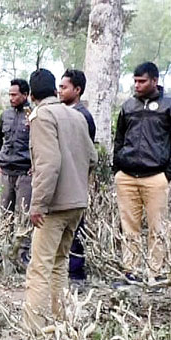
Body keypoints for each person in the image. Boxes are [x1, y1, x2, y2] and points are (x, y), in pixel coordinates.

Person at [23, 69, 97, 332]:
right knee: (59, 263)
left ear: (31, 95)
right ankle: (60, 321)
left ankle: (33, 330)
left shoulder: (42, 115)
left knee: (39, 266)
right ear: (55, 90)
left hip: (54, 207)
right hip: (77, 203)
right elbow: (92, 158)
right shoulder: (76, 115)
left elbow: (49, 164)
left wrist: (38, 204)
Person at [113, 62, 171, 282]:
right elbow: (119, 139)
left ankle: (156, 272)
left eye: (142, 81)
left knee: (158, 227)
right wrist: (117, 168)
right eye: (135, 81)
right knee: (129, 227)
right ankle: (130, 271)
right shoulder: (128, 106)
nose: (137, 85)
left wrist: (167, 174)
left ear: (155, 81)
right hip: (126, 177)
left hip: (156, 177)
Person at [58, 69, 96, 285]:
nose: (60, 91)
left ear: (77, 90)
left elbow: (85, 154)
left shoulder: (83, 116)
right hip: (65, 180)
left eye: (64, 87)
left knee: (76, 228)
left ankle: (77, 272)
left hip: (76, 181)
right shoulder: (63, 112)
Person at [0, 79, 32, 264]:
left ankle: (22, 253)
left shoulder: (33, 115)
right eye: (9, 94)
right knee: (5, 213)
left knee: (24, 215)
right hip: (6, 171)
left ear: (25, 95)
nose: (11, 98)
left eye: (15, 94)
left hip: (25, 173)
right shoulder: (5, 115)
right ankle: (3, 250)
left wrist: (37, 165)